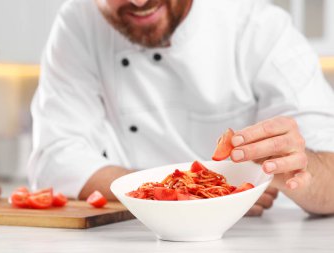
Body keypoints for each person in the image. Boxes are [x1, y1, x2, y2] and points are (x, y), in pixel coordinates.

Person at [28, 0, 334, 216]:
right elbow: (55, 159)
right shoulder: (79, 22)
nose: (139, 1)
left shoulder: (260, 27)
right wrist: (198, 194)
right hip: (136, 234)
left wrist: (298, 164)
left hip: (267, 235)